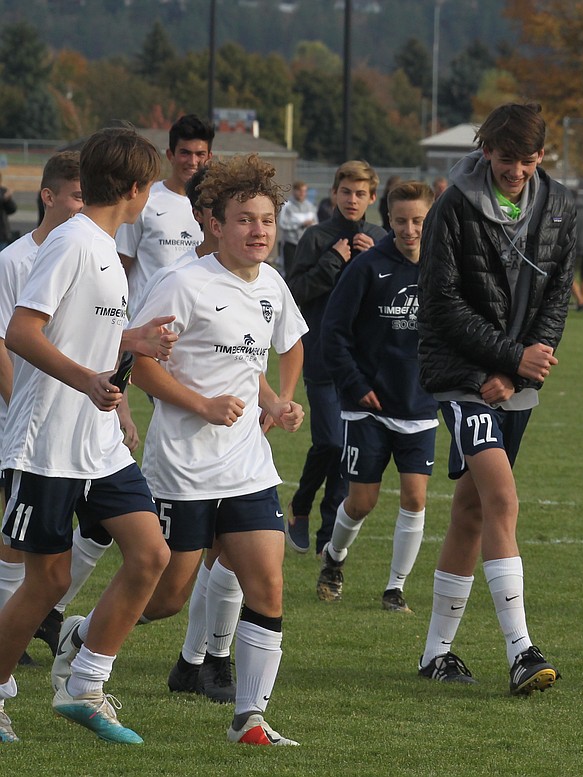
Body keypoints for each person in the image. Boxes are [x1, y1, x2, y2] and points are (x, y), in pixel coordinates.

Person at [0, 126, 177, 745]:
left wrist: (133, 343)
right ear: (134, 188)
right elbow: (22, 332)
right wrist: (88, 380)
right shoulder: (73, 242)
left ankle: (84, 683)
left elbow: (87, 337)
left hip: (97, 443)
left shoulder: (103, 247)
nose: (151, 197)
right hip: (46, 442)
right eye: (150, 186)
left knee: (151, 553)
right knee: (45, 582)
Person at [129, 153, 306, 746]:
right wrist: (202, 406)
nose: (258, 231)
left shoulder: (270, 284)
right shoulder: (183, 283)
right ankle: (81, 636)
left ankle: (249, 719)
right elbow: (140, 367)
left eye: (266, 220)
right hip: (182, 467)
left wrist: (276, 403)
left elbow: (252, 362)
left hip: (247, 464)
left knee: (269, 585)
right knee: (164, 600)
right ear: (216, 226)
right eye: (244, 220)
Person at [416, 102, 574, 694]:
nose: (516, 172)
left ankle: (437, 653)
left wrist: (526, 365)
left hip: (515, 378)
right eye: (507, 160)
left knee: (473, 509)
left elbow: (558, 293)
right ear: (486, 150)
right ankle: (521, 651)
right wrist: (508, 359)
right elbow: (441, 304)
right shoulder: (452, 207)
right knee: (502, 497)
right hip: (458, 375)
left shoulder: (558, 204)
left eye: (528, 162)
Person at [316, 181, 438, 611]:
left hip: (419, 404)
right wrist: (355, 385)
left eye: (418, 220)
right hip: (367, 406)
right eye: (401, 220)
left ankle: (395, 588)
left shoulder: (443, 268)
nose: (409, 229)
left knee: (415, 497)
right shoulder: (367, 267)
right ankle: (334, 558)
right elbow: (332, 332)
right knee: (362, 501)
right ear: (388, 219)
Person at [0, 151, 87, 668]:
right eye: (76, 195)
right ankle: (17, 624)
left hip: (76, 420)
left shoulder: (86, 252)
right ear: (48, 197)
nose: (83, 205)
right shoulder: (14, 261)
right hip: (26, 420)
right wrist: (16, 406)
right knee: (18, 530)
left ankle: (44, 617)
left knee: (79, 525)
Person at [285, 160, 386, 556]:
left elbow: (390, 296)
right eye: (346, 192)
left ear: (372, 198)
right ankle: (301, 504)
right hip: (323, 357)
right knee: (328, 442)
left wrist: (374, 258)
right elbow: (294, 293)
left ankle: (329, 537)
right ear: (334, 194)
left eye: (361, 193)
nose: (352, 199)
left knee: (349, 454)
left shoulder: (381, 238)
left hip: (363, 364)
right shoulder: (316, 237)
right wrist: (334, 260)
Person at [116, 114, 215, 310]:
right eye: (185, 153)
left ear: (209, 157)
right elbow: (121, 266)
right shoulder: (145, 200)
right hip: (148, 322)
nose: (192, 161)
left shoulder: (218, 206)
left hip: (199, 321)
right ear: (170, 155)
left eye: (200, 154)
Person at [277, 181, 316, 274]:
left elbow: (316, 223)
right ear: (294, 191)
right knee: (289, 272)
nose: (302, 194)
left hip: (306, 245)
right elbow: (282, 224)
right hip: (291, 244)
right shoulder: (287, 206)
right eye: (300, 191)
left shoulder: (310, 206)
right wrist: (300, 225)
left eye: (305, 191)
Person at [0, 172, 16, 249]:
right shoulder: (4, 194)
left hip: (2, 234)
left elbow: (12, 209)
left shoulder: (3, 191)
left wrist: (8, 200)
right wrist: (4, 198)